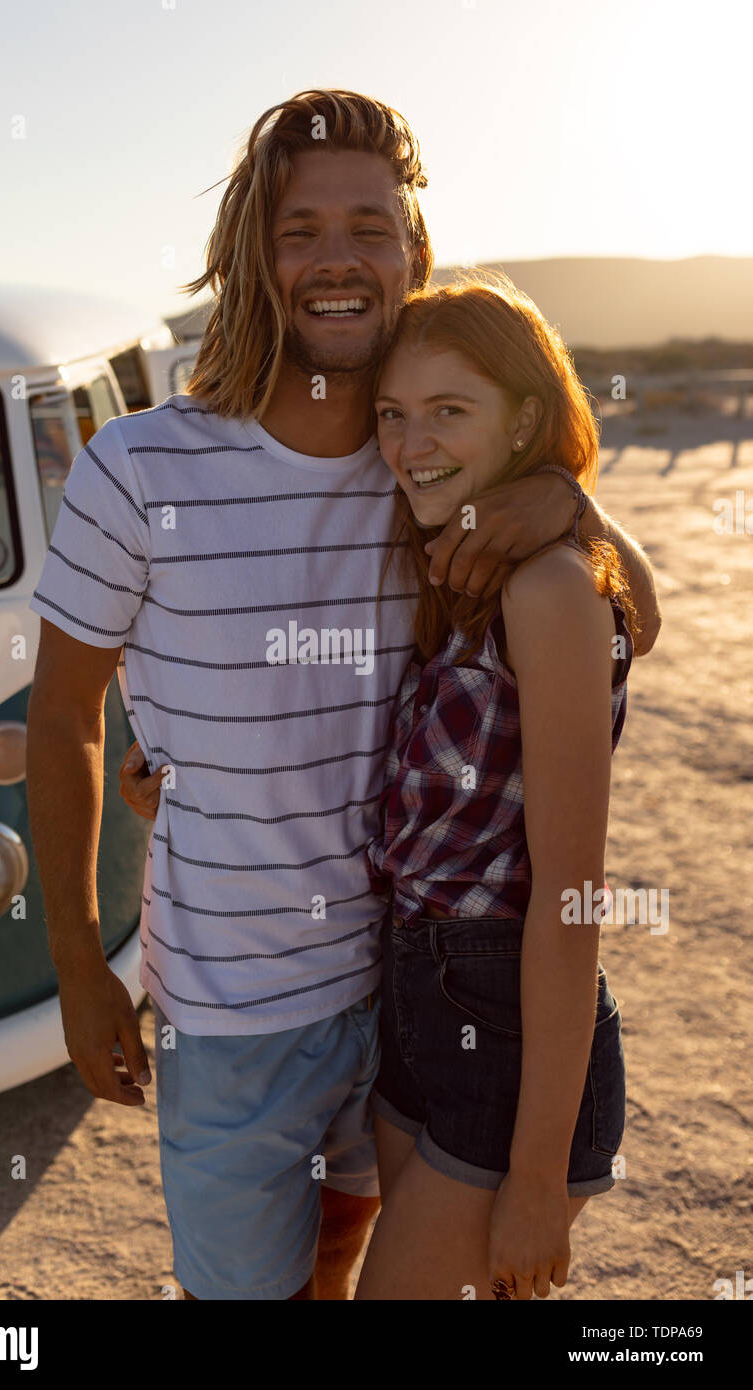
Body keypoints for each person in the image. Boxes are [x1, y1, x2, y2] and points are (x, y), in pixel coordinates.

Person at [27, 90, 661, 1302]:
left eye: (368, 227)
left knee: (344, 1267)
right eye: (298, 228)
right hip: (231, 1015)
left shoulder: (419, 467)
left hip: (407, 1000)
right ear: (248, 258)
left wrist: (565, 504)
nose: (336, 260)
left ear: (411, 252)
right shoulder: (135, 467)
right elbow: (60, 718)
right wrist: (74, 957)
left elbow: (636, 611)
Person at [346, 275, 632, 1300]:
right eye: (392, 413)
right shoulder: (456, 570)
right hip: (415, 998)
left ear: (523, 415)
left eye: (448, 411)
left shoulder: (548, 587)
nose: (410, 441)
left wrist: (537, 1178)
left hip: (509, 1028)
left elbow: (570, 900)